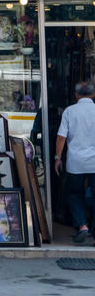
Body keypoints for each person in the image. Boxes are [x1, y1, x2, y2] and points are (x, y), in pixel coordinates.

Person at [55, 81, 95, 244]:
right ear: (93, 95)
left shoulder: (70, 111)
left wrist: (57, 158)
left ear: (76, 95)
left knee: (73, 194)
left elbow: (61, 137)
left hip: (76, 163)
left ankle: (83, 226)